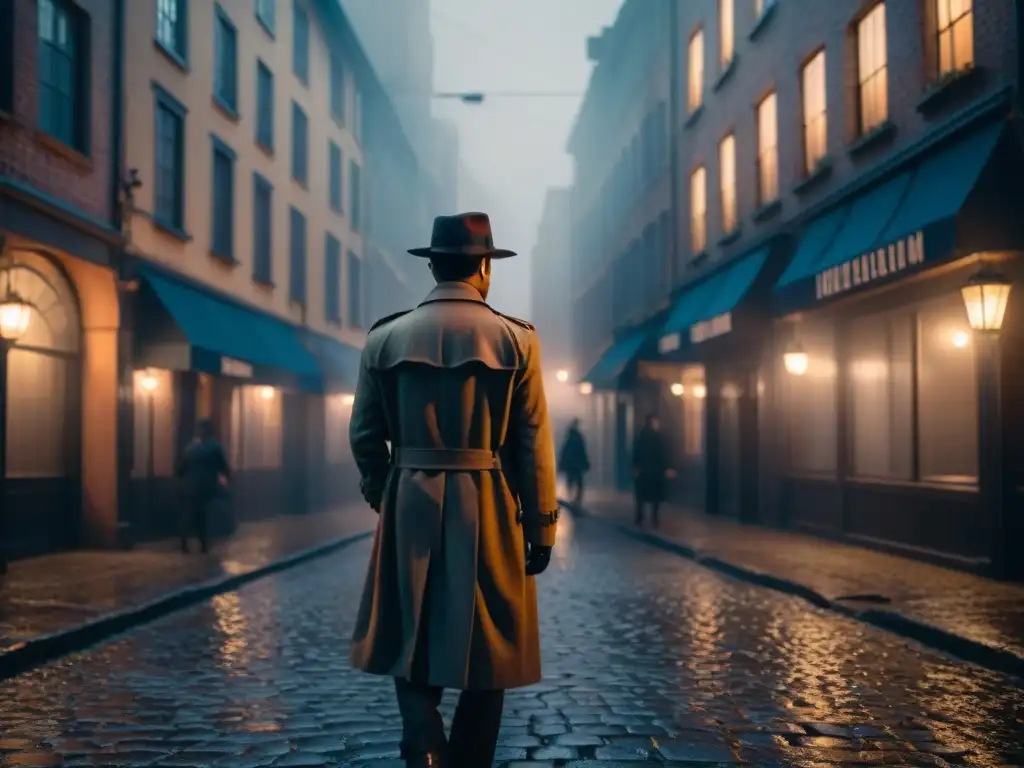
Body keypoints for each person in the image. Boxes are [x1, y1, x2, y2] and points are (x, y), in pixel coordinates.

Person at [348, 212, 560, 768]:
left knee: (408, 631)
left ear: (433, 264)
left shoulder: (385, 337)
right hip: (488, 502)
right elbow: (530, 440)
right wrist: (540, 524)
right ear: (484, 267)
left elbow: (365, 436)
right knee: (490, 641)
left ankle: (423, 746)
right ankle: (469, 760)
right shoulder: (517, 340)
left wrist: (384, 494)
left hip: (408, 497)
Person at [176, 419, 230, 554]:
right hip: (206, 486)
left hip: (189, 486)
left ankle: (184, 543)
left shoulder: (190, 448)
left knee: (189, 514)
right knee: (203, 515)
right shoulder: (215, 447)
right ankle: (203, 545)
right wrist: (226, 479)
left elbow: (181, 468)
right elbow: (223, 466)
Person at [632, 414, 670, 528]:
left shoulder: (640, 436)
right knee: (654, 498)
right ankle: (654, 519)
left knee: (641, 496)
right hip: (654, 471)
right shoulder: (657, 438)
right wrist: (665, 468)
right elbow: (662, 455)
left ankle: (639, 517)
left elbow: (635, 453)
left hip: (643, 470)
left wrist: (635, 467)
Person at [558, 418, 589, 504]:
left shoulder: (570, 437)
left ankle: (572, 497)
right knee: (578, 481)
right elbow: (582, 451)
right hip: (575, 463)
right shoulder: (577, 437)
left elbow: (565, 451)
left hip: (572, 463)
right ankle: (575, 498)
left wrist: (562, 463)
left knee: (572, 480)